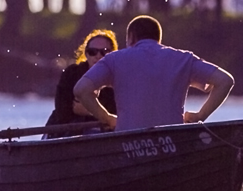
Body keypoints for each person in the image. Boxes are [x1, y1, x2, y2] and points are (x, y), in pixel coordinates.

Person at [73, 15, 234, 132]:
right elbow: (225, 81)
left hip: (127, 142)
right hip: (173, 141)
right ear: (159, 39)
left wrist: (106, 118)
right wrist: (200, 116)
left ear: (130, 38)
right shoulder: (183, 58)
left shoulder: (114, 59)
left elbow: (81, 90)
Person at [44, 29, 119, 137]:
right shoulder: (72, 73)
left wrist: (89, 111)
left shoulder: (117, 78)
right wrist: (99, 112)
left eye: (104, 51)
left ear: (113, 54)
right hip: (64, 129)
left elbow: (117, 112)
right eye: (92, 52)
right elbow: (62, 108)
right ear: (86, 54)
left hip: (103, 133)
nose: (98, 56)